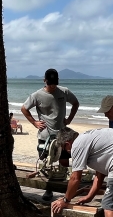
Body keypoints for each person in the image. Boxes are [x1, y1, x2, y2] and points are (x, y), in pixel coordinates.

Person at [21, 69, 80, 199]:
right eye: (50, 83)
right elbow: (24, 108)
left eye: (54, 83)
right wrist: (34, 123)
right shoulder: (37, 95)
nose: (52, 86)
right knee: (45, 162)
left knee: (64, 162)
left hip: (63, 134)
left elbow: (76, 103)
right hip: (45, 135)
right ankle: (48, 189)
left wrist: (69, 119)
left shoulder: (64, 92)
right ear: (45, 81)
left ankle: (66, 191)